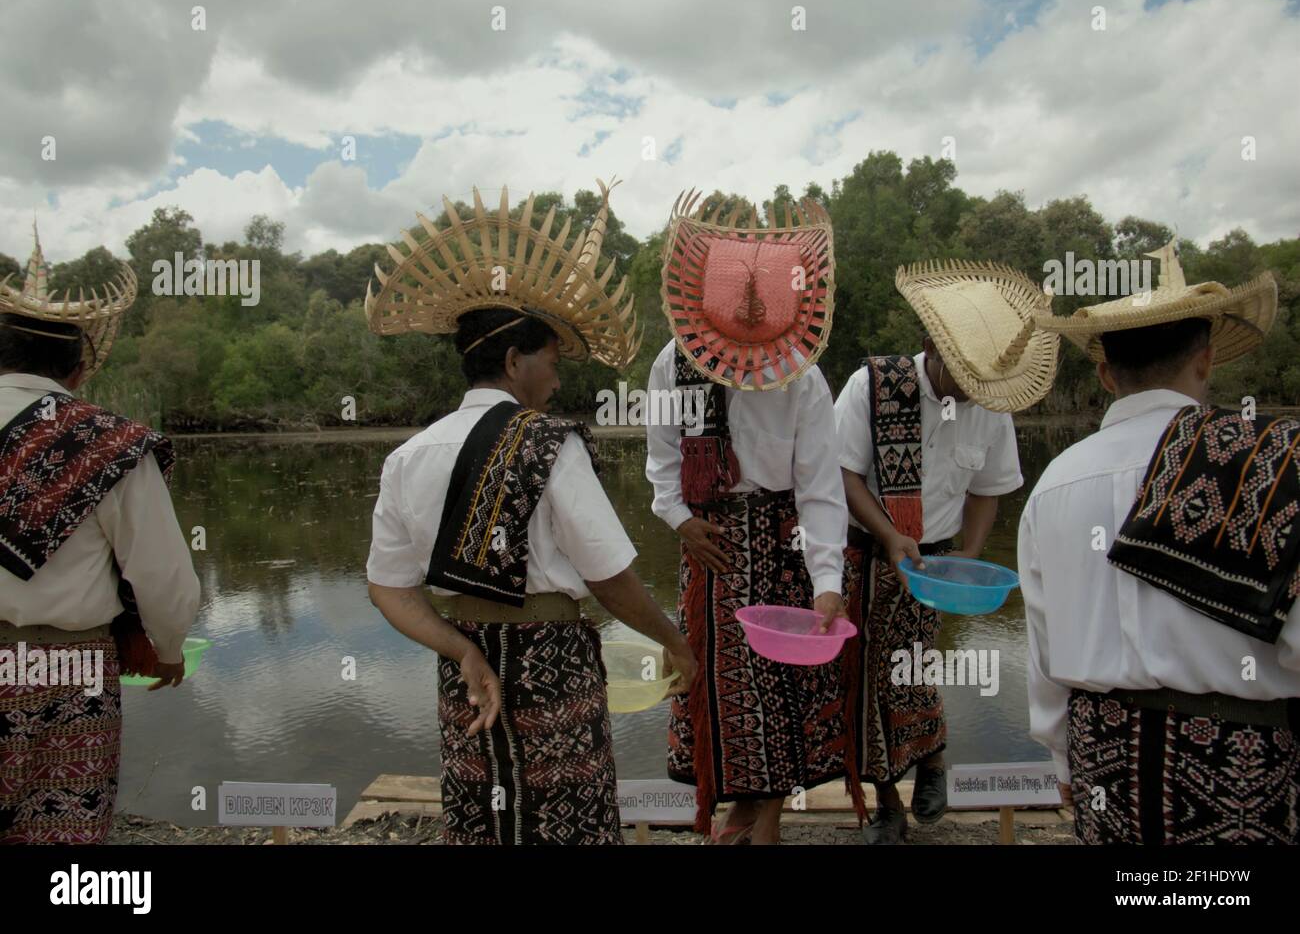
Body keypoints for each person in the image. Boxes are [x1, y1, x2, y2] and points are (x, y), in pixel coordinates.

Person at [364, 180, 695, 845]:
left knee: (481, 816)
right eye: (551, 359)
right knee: (565, 821)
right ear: (515, 360)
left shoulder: (407, 458)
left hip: (466, 672)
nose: (559, 377)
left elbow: (388, 588)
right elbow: (608, 578)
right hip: (554, 664)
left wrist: (461, 649)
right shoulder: (552, 442)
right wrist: (675, 641)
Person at [1024, 243, 1298, 844]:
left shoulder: (1054, 483)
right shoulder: (1266, 462)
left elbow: (1044, 646)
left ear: (1104, 373)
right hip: (1240, 759)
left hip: (1102, 758)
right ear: (1204, 361)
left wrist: (1060, 753)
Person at [648, 191, 852, 845]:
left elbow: (821, 488)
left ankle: (760, 822)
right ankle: (740, 814)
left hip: (785, 544)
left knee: (781, 696)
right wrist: (679, 518)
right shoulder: (671, 365)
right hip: (709, 544)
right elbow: (660, 465)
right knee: (711, 686)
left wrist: (827, 580)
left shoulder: (803, 376)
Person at [835, 260, 1058, 843]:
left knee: (913, 671)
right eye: (960, 374)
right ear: (930, 344)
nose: (969, 390)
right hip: (865, 555)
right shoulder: (874, 384)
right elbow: (844, 475)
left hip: (931, 566)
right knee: (865, 685)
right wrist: (888, 535)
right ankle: (888, 803)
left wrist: (967, 560)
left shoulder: (991, 401)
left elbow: (989, 490)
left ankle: (932, 760)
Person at [0, 226, 200, 844]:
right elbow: (163, 576)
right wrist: (166, 648)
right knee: (61, 840)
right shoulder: (108, 440)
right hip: (67, 669)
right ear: (80, 369)